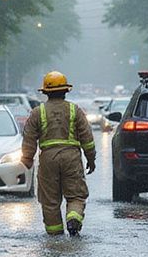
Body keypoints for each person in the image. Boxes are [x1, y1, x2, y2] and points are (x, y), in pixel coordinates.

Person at [21, 71, 96, 236]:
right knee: (76, 195)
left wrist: (27, 160)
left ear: (45, 92)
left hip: (48, 159)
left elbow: (29, 139)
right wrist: (91, 159)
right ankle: (73, 219)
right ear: (65, 90)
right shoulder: (74, 110)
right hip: (71, 158)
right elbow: (87, 138)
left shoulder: (37, 112)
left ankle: (55, 237)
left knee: (50, 202)